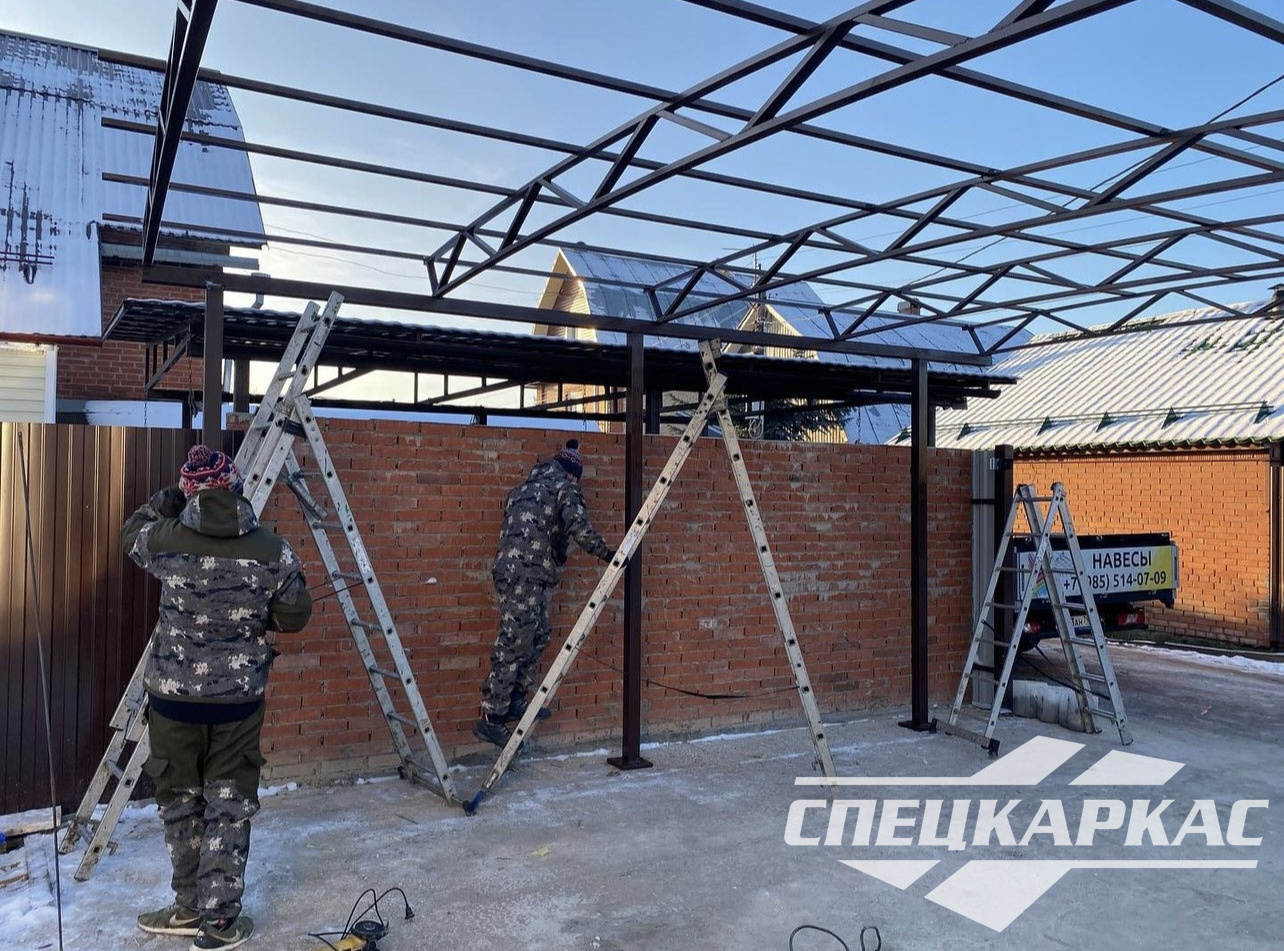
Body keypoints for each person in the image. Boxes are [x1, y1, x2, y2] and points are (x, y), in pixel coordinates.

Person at [122, 445, 312, 951]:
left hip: (173, 703)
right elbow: (295, 615)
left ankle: (188, 909)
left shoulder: (165, 538)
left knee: (180, 803)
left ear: (190, 493)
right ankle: (220, 923)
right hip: (237, 704)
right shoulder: (273, 549)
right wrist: (264, 615)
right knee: (228, 806)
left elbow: (129, 535)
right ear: (236, 486)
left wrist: (163, 501)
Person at [475, 439, 615, 747]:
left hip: (518, 571)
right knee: (515, 639)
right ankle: (491, 717)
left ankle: (514, 698)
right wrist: (608, 554)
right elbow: (579, 528)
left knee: (537, 633)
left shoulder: (522, 489)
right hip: (525, 573)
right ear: (572, 473)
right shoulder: (565, 488)